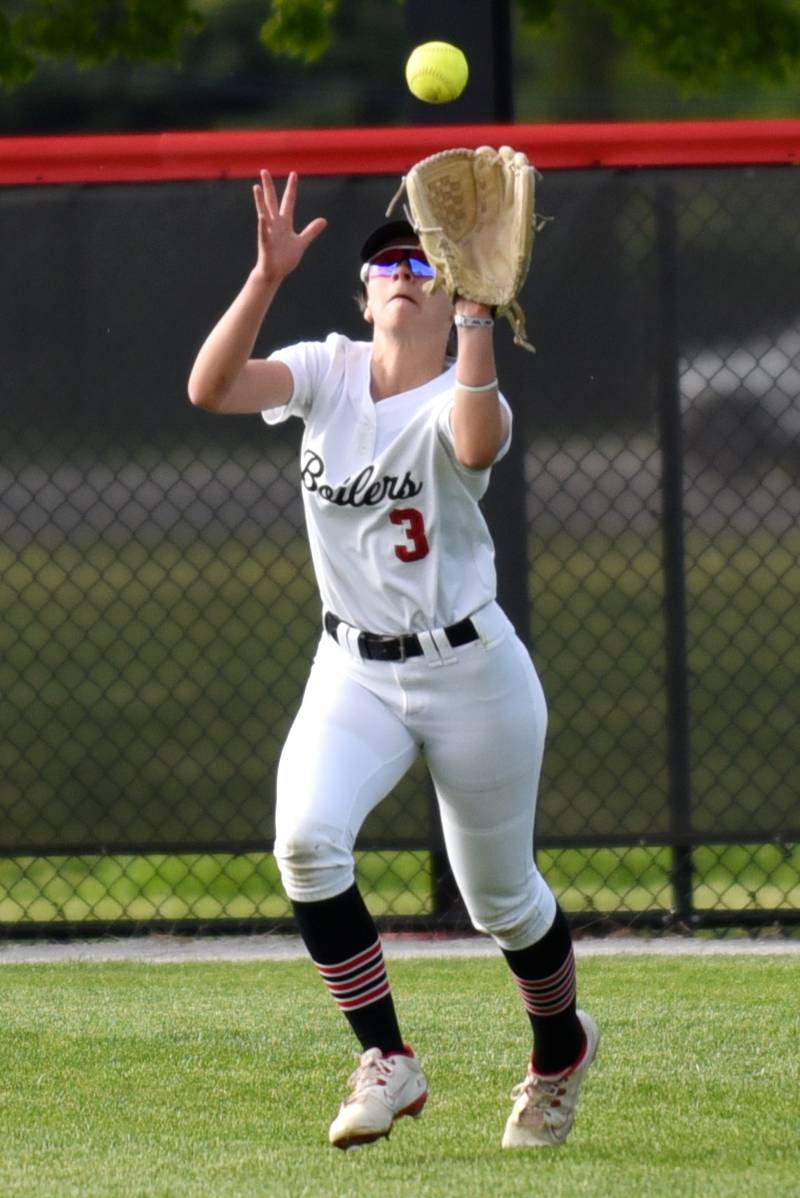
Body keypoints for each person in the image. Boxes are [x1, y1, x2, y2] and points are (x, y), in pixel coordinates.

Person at [188, 168, 598, 1151]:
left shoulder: (466, 384)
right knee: (305, 841)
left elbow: (473, 438)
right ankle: (386, 1056)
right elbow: (210, 388)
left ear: (450, 285)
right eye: (382, 263)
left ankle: (557, 1050)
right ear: (364, 295)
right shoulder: (325, 369)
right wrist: (263, 279)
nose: (399, 271)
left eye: (420, 259)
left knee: (500, 896)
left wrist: (478, 320)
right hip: (354, 671)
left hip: (471, 672)